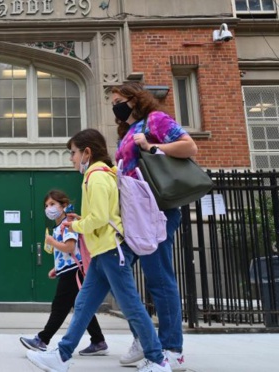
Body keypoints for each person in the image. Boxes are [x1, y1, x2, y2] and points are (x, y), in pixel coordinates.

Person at [26, 129, 170, 372]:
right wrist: (83, 220)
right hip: (104, 251)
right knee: (83, 304)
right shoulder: (99, 175)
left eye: (73, 153)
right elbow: (103, 215)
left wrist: (75, 224)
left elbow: (101, 217)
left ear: (87, 153)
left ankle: (158, 360)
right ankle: (62, 355)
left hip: (112, 250)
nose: (71, 158)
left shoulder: (96, 176)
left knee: (131, 306)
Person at [112, 81, 198, 371]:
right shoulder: (127, 130)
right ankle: (145, 338)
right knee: (115, 271)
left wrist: (152, 146)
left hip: (157, 211)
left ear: (134, 99)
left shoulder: (155, 120)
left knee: (159, 279)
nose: (115, 106)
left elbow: (189, 146)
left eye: (118, 99)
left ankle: (172, 349)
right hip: (134, 213)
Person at [19, 190, 108, 356]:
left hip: (73, 271)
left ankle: (42, 339)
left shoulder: (68, 222)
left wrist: (52, 242)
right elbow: (66, 253)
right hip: (69, 269)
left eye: (52, 204)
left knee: (60, 306)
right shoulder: (59, 225)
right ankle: (98, 340)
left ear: (64, 205)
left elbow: (70, 247)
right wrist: (56, 268)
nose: (48, 208)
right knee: (81, 306)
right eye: (46, 205)